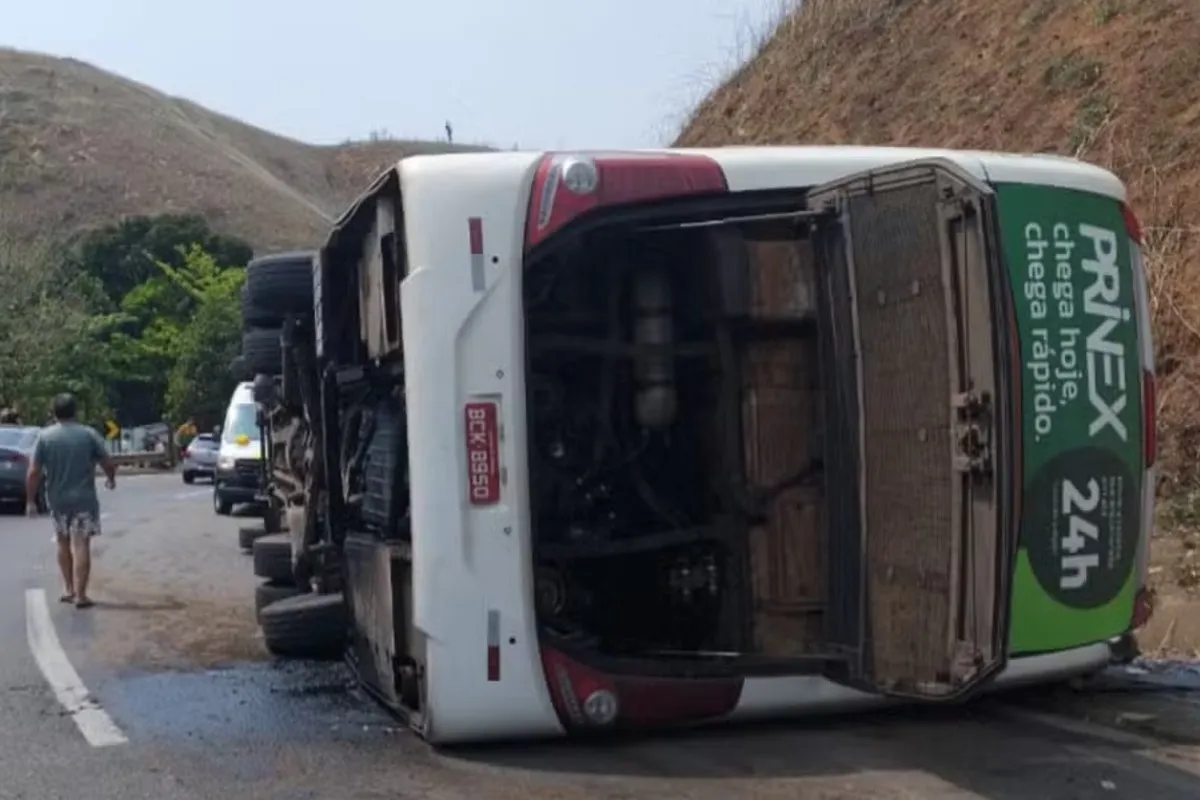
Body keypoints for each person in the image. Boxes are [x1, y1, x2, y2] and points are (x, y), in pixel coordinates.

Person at [26, 393, 116, 609]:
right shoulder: (89, 435)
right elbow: (107, 462)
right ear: (75, 411)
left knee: (63, 541)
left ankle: (68, 588)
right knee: (82, 543)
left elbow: (34, 472)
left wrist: (30, 500)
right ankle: (81, 595)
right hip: (84, 499)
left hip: (57, 500)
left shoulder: (45, 437)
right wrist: (111, 479)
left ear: (54, 412)